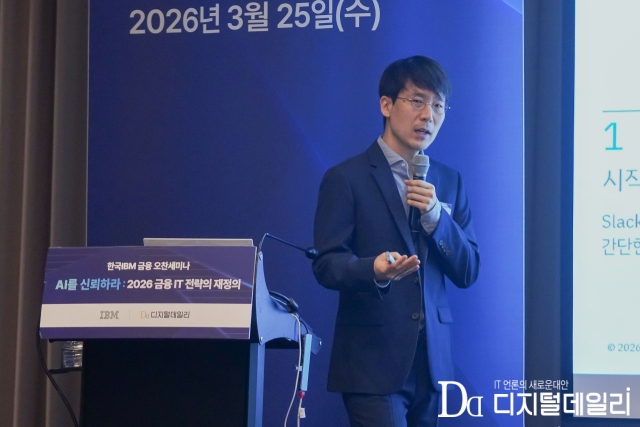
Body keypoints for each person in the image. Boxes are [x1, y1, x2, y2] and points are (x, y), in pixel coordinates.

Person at [312, 55, 480, 427]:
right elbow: (326, 264)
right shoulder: (346, 178)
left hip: (432, 364)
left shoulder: (449, 181)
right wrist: (372, 270)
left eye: (438, 106)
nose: (428, 116)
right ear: (386, 105)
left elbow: (469, 270)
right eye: (417, 101)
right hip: (372, 362)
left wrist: (437, 219)